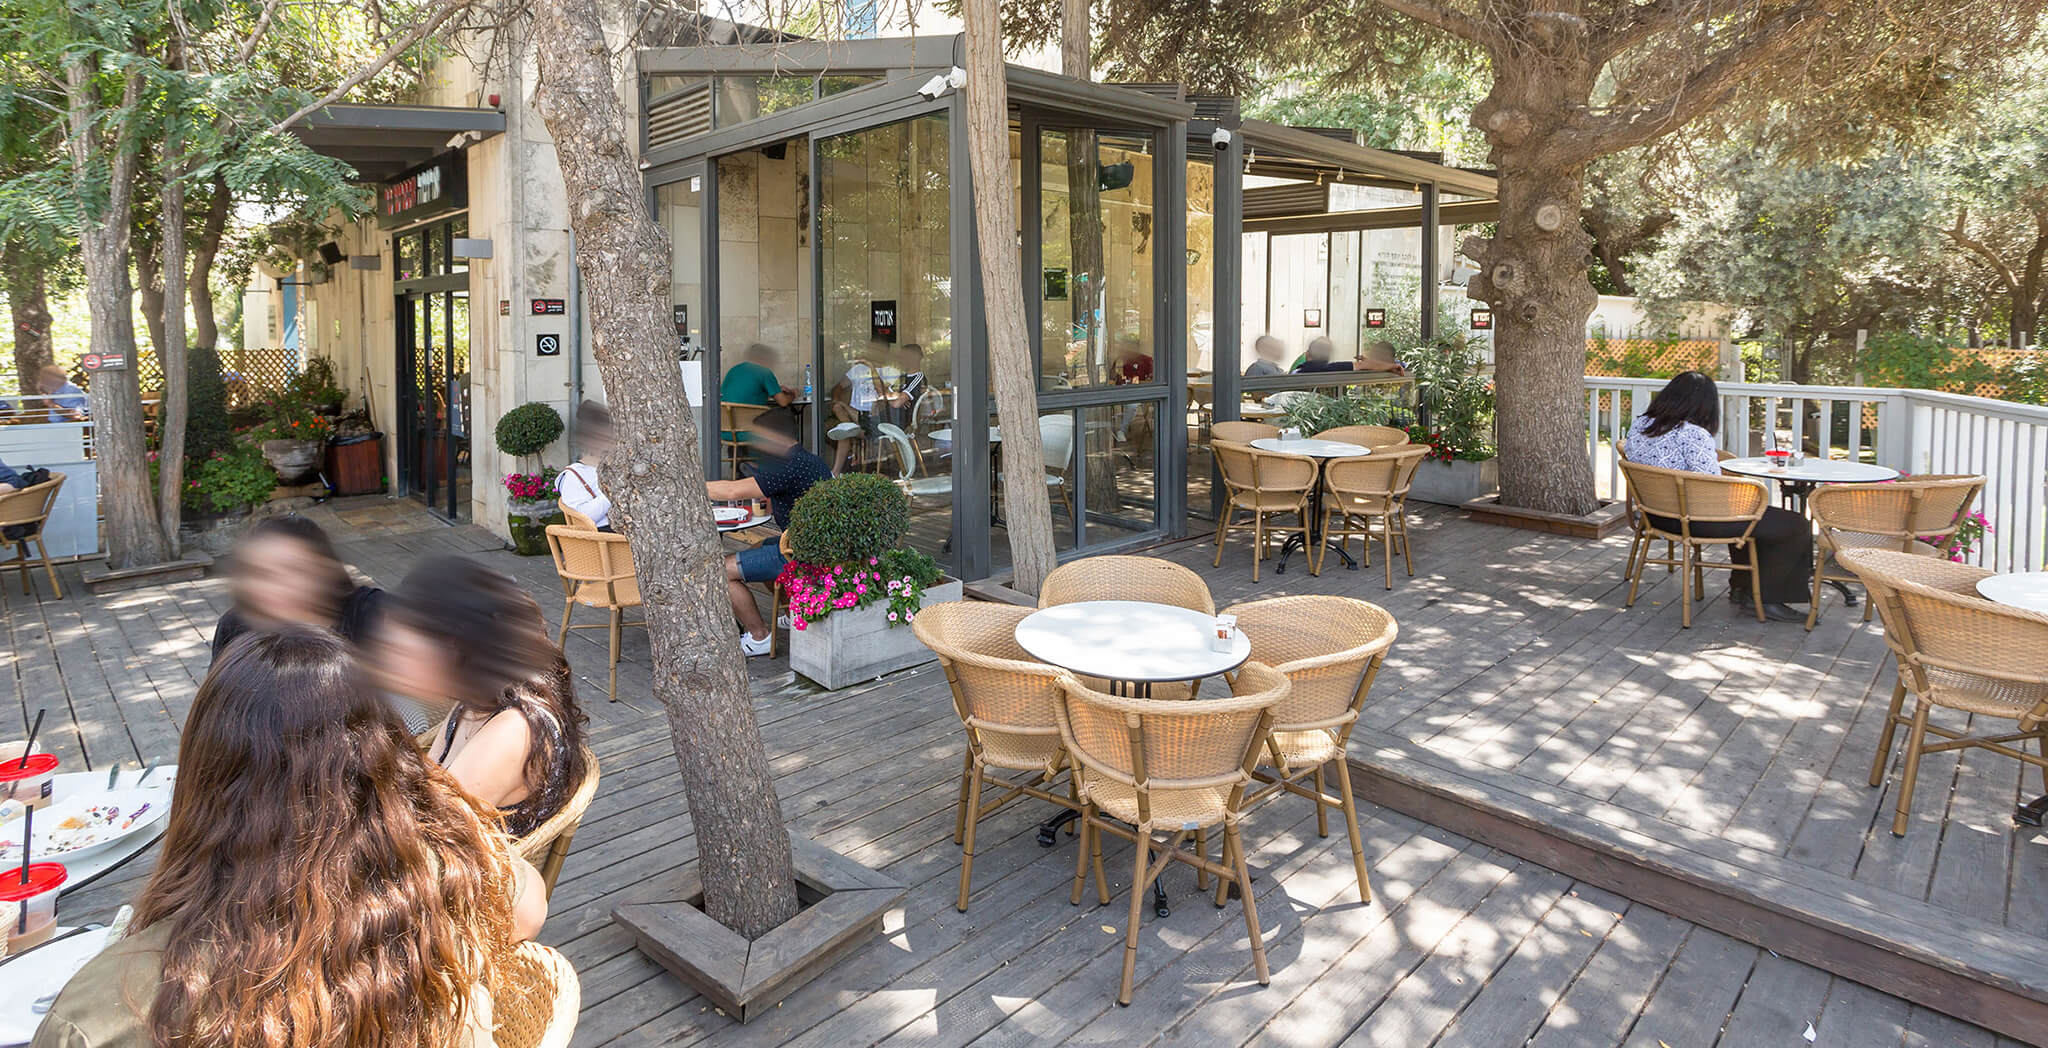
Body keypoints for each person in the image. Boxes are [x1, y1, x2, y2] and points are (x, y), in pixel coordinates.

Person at [34, 627, 545, 1048]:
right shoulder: (452, 874)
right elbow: (527, 904)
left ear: (206, 778)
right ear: (382, 764)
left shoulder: (109, 1012)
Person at [375, 556, 591, 836]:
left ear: (452, 648)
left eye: (406, 650)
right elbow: (429, 780)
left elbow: (432, 838)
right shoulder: (474, 702)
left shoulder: (513, 731)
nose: (395, 663)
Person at [1624, 371, 1814, 622]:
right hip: (1693, 518)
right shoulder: (1693, 434)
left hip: (1655, 514)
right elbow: (1711, 485)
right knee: (1795, 525)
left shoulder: (1640, 425)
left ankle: (1742, 587)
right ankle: (1769, 600)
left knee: (1750, 514)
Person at [705, 407, 830, 656]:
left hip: (801, 552)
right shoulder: (808, 460)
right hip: (812, 543)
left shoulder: (788, 466)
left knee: (720, 570)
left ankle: (759, 636)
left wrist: (690, 484)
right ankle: (791, 613)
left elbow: (730, 492)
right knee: (757, 549)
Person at [209, 515, 385, 664]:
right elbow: (220, 700)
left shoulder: (371, 613)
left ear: (325, 571)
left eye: (294, 569)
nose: (277, 587)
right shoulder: (234, 627)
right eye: (261, 573)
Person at [556, 401, 615, 530]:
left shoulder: (616, 466)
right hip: (606, 541)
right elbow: (584, 517)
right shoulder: (574, 475)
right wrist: (612, 491)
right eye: (601, 437)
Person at [720, 343, 795, 408]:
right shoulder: (764, 372)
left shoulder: (734, 370)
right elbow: (783, 402)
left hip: (726, 420)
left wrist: (775, 390)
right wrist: (793, 394)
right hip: (751, 420)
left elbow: (746, 393)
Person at [883, 343, 929, 429]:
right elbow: (884, 393)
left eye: (904, 357)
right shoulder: (903, 377)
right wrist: (898, 396)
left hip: (905, 426)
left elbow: (896, 403)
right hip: (893, 420)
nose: (900, 360)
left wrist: (896, 398)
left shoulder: (919, 378)